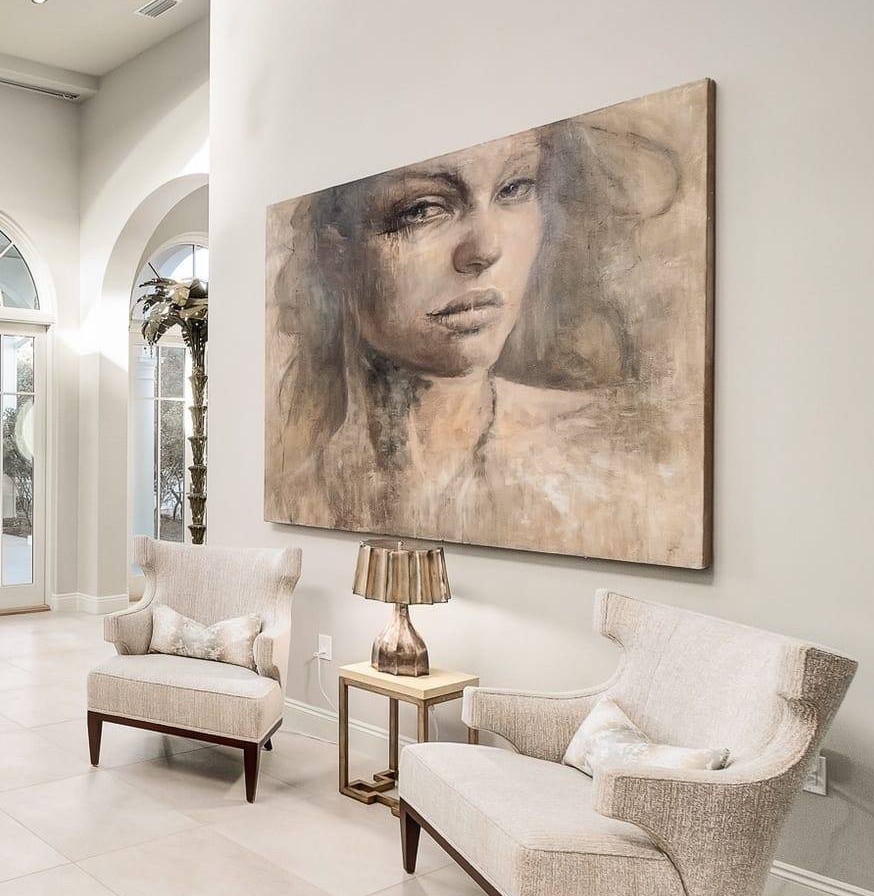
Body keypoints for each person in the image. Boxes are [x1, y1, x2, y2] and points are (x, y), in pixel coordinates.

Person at [265, 103, 704, 565]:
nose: (484, 250)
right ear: (338, 257)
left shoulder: (614, 455)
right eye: (423, 209)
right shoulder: (299, 495)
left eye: (514, 188)